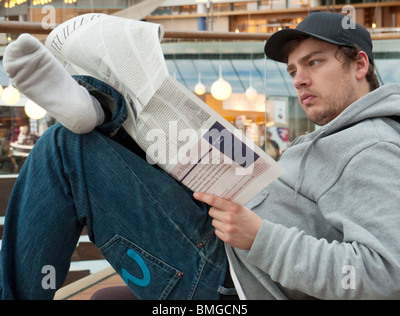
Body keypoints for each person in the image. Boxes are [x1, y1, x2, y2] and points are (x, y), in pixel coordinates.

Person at [1, 11, 400, 300]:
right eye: (293, 68)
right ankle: (102, 108)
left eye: (314, 62)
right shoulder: (330, 137)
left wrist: (260, 238)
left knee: (66, 148)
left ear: (359, 64)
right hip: (225, 247)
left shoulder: (372, 146)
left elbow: (385, 275)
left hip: (232, 281)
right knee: (146, 135)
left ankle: (100, 110)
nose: (299, 78)